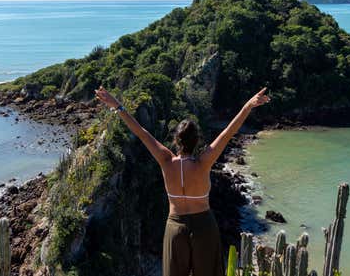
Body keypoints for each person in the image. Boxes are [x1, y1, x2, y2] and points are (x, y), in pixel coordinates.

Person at [94, 85, 271, 276]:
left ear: (176, 140)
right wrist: (248, 106)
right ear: (197, 140)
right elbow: (227, 133)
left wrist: (117, 106)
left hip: (175, 227)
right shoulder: (204, 162)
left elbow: (142, 133)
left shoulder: (166, 161)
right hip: (204, 226)